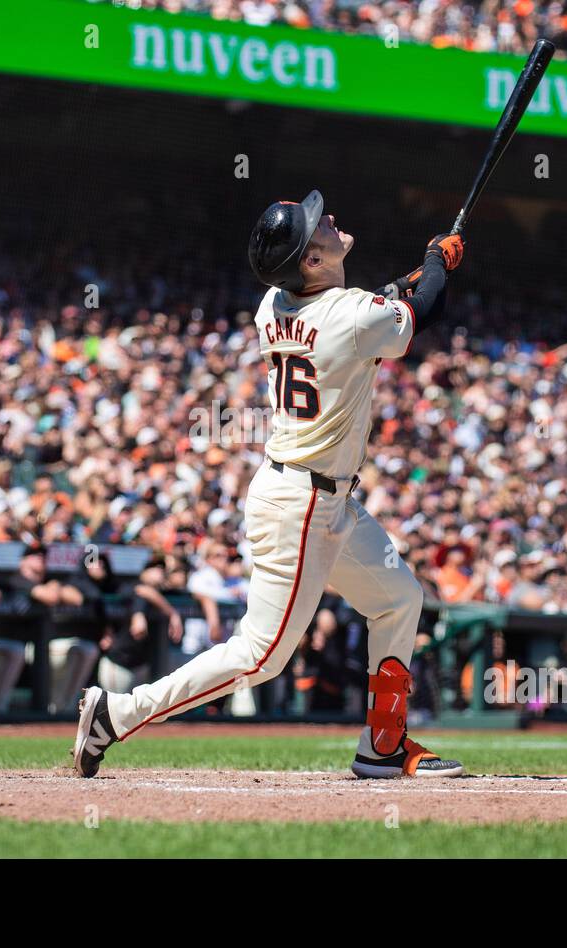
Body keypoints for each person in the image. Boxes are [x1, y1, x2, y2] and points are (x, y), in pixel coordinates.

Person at [75, 191, 466, 778]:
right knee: (260, 656)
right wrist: (436, 261)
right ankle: (119, 713)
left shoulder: (275, 304)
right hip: (302, 504)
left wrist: (397, 290)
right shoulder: (350, 315)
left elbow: (363, 312)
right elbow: (421, 311)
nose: (330, 219)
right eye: (319, 226)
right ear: (310, 262)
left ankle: (383, 743)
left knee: (398, 599)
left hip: (316, 496)